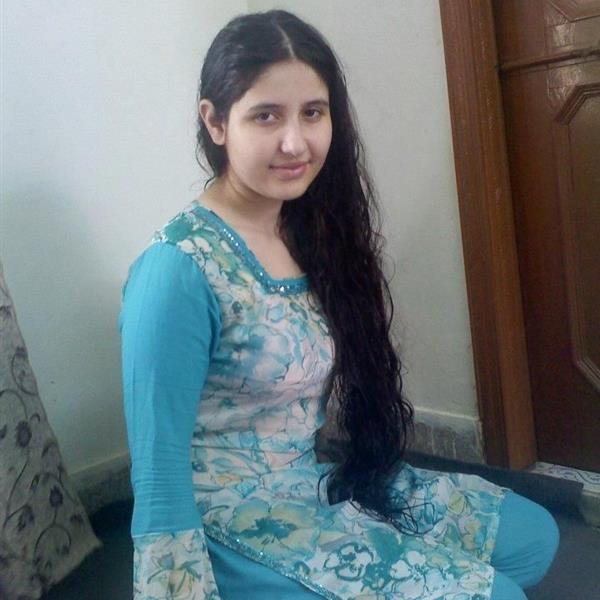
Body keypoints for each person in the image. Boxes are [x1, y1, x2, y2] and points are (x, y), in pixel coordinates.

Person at [118, 9, 559, 599]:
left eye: (313, 112)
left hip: (311, 480)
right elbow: (157, 474)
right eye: (266, 115)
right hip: (227, 523)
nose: (295, 142)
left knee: (531, 538)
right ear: (216, 122)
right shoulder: (177, 269)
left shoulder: (306, 231)